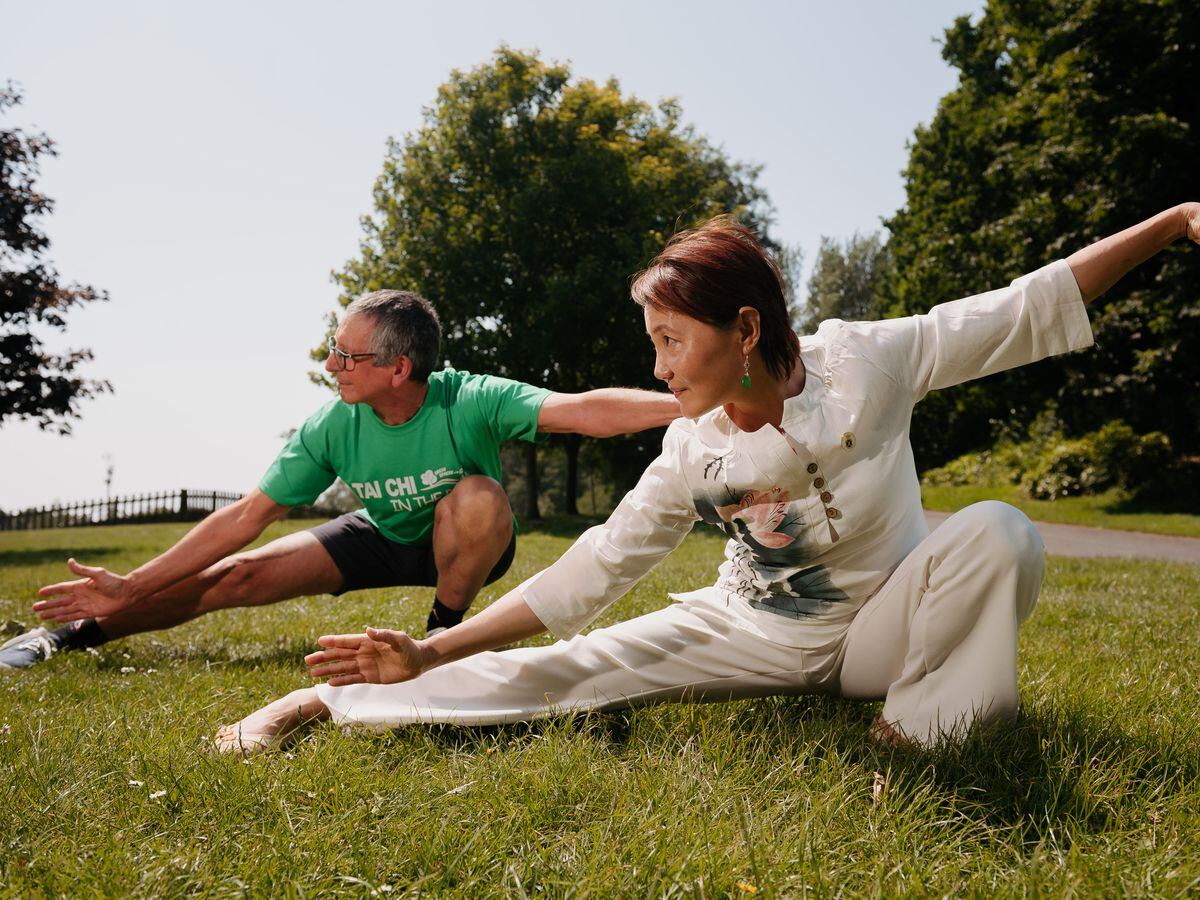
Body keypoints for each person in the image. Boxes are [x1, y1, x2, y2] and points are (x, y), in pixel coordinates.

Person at [216, 203, 1200, 753]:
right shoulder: (691, 449)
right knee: (573, 669)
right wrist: (429, 653)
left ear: (745, 329)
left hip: (880, 635)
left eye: (671, 342)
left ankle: (917, 738)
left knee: (1000, 533)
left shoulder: (872, 360)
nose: (660, 369)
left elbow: (1031, 306)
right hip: (750, 630)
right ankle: (325, 708)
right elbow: (589, 574)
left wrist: (1175, 222)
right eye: (654, 346)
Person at [5, 290, 680, 670]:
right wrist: (133, 584)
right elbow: (246, 517)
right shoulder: (333, 424)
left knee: (477, 497)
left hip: (466, 539)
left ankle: (435, 640)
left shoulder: (468, 396)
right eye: (333, 347)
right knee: (233, 577)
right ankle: (70, 637)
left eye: (346, 354)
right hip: (381, 535)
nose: (331, 364)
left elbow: (585, 411)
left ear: (399, 368)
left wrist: (695, 403)